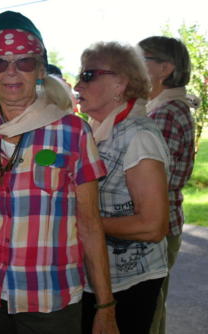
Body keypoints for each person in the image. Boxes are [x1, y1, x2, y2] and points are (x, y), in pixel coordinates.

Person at [0, 11, 118, 334]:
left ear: (40, 69)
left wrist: (106, 307)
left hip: (49, 300)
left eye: (24, 62)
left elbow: (90, 224)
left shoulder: (73, 133)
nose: (11, 72)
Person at [74, 41, 170, 334]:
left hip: (129, 282)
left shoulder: (139, 136)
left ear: (120, 83)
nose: (78, 84)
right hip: (94, 276)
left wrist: (84, 224)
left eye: (88, 75)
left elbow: (153, 226)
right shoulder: (95, 130)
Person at [138, 36, 196, 334]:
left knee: (146, 311)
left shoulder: (166, 112)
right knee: (152, 308)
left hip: (155, 228)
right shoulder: (160, 107)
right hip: (160, 225)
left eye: (141, 58)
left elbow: (154, 182)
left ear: (165, 68)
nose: (133, 64)